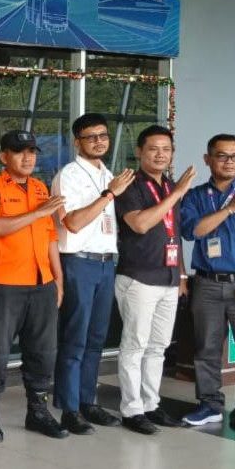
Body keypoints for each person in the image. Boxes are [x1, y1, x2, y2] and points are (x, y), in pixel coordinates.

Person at [0, 130, 68, 442]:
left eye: (32, 151)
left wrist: (59, 281)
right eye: (19, 152)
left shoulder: (41, 189)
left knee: (43, 351)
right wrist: (37, 213)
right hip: (5, 285)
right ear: (4, 157)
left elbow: (51, 238)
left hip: (42, 283)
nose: (28, 158)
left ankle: (37, 413)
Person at [51, 114, 135, 434]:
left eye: (103, 135)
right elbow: (72, 222)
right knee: (75, 338)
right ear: (77, 142)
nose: (99, 141)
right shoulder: (69, 176)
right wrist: (109, 195)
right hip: (79, 263)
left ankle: (88, 401)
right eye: (91, 137)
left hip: (105, 263)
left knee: (97, 338)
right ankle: (69, 408)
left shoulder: (107, 174)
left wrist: (110, 190)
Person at [113, 125, 195, 435]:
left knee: (158, 347)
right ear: (139, 151)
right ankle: (131, 410)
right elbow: (141, 225)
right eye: (153, 149)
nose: (160, 154)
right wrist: (176, 194)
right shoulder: (131, 186)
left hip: (169, 277)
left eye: (166, 149)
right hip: (139, 278)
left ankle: (151, 404)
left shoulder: (170, 185)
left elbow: (172, 233)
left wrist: (182, 275)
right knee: (135, 345)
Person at [179, 134, 235, 433]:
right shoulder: (196, 196)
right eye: (222, 156)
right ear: (208, 159)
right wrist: (229, 209)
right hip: (207, 284)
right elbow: (193, 231)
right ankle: (210, 405)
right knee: (206, 349)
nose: (230, 161)